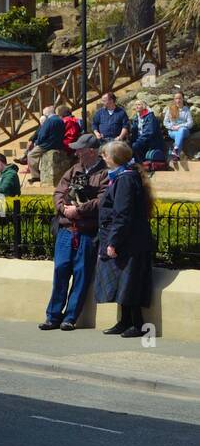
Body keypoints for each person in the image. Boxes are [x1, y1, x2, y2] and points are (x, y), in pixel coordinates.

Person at [42, 134, 109, 331]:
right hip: (66, 230)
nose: (76, 152)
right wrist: (63, 208)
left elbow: (103, 200)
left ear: (91, 151)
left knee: (81, 273)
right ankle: (53, 316)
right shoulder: (74, 169)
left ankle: (70, 317)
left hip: (87, 232)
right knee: (61, 269)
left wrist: (79, 210)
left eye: (80, 149)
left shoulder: (104, 173)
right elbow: (58, 193)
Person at [94, 140, 155, 338]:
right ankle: (125, 321)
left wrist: (113, 241)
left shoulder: (126, 179)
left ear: (114, 158)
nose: (103, 158)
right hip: (126, 241)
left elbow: (123, 214)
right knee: (122, 283)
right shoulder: (121, 177)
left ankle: (138, 324)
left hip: (130, 242)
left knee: (131, 284)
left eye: (105, 155)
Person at [26, 105, 65, 184]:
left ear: (46, 114)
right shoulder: (60, 120)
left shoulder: (49, 121)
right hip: (58, 144)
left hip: (47, 145)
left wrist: (36, 142)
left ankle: (35, 176)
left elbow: (42, 135)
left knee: (30, 155)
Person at [162, 91, 192, 163]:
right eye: (176, 98)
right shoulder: (170, 109)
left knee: (181, 130)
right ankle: (176, 154)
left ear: (183, 99)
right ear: (174, 99)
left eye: (180, 98)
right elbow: (165, 122)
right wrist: (172, 127)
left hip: (185, 131)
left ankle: (175, 150)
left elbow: (190, 123)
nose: (178, 100)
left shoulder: (186, 109)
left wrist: (179, 126)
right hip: (173, 132)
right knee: (179, 132)